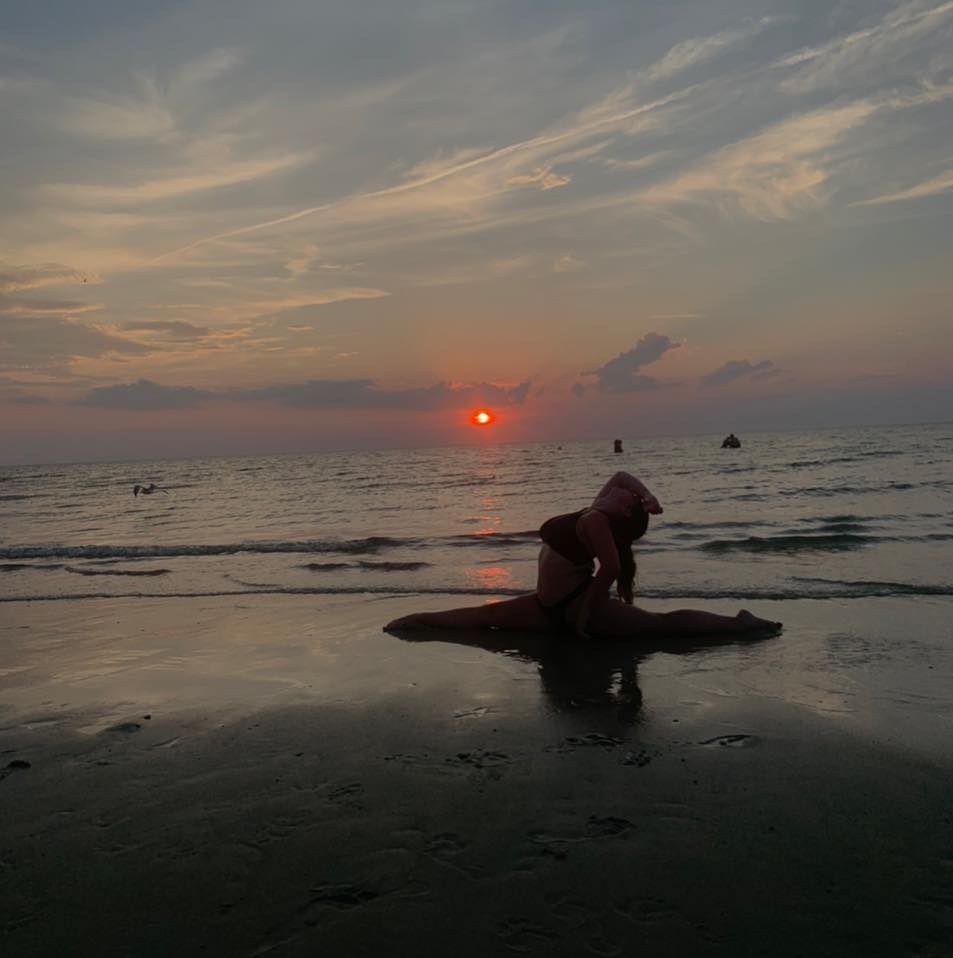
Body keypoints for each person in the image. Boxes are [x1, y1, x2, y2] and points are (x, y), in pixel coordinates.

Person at [384, 472, 781, 639]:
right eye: (630, 493)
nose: (625, 489)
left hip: (574, 606)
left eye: (630, 497)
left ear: (623, 509)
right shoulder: (598, 508)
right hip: (546, 605)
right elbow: (622, 475)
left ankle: (739, 624)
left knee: (659, 626)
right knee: (486, 616)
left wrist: (583, 617)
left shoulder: (597, 521)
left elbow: (610, 568)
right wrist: (649, 497)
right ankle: (418, 620)